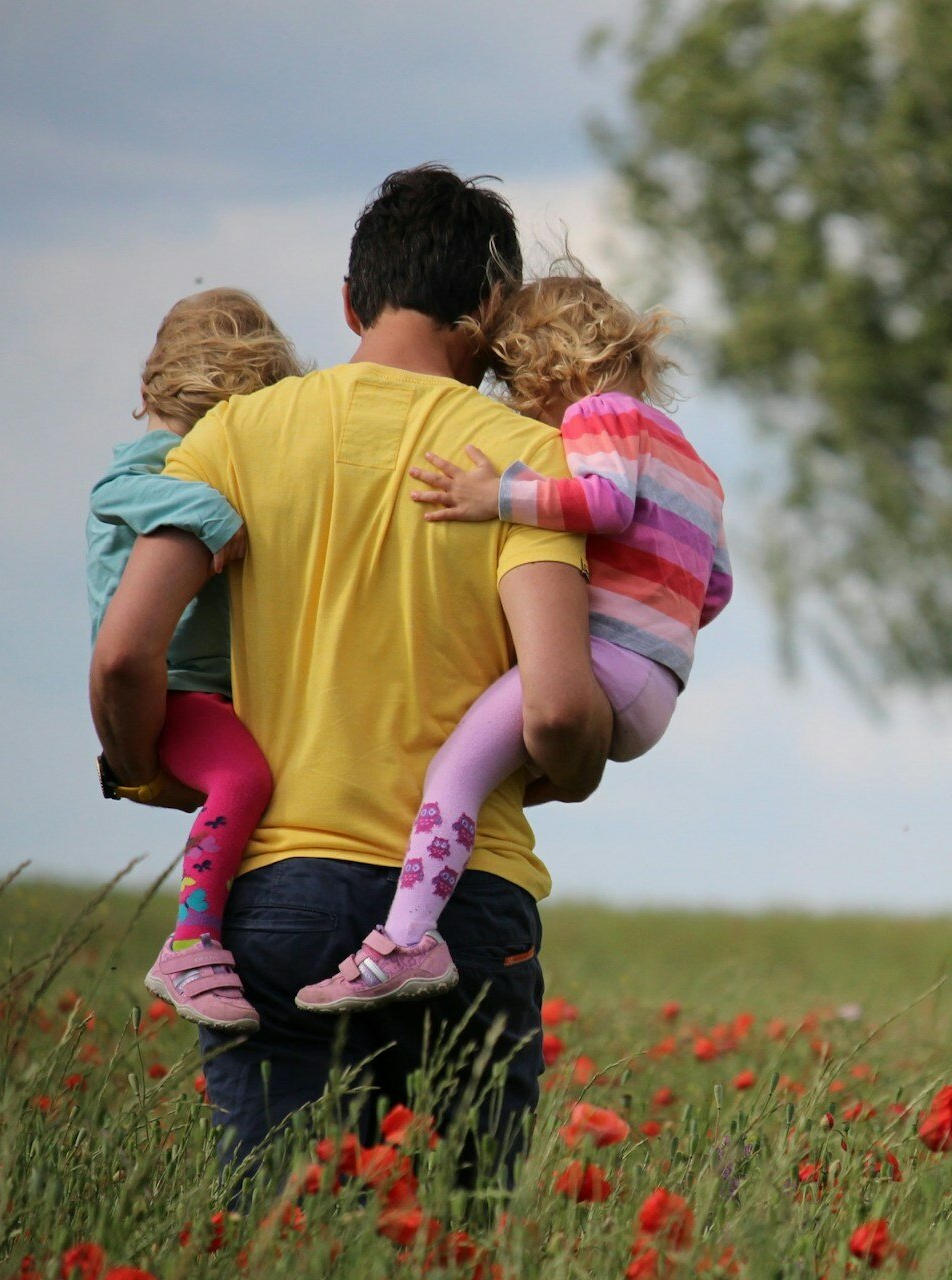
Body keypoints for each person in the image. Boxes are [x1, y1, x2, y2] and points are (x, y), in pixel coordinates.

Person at [90, 164, 612, 1165]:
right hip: (466, 904)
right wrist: (576, 766)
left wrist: (149, 765)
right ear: (492, 309)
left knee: (283, 1233)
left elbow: (123, 653)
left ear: (348, 301)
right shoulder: (524, 460)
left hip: (276, 890)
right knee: (460, 1232)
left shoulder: (231, 437)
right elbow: (554, 709)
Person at [296, 265, 733, 1011]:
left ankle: (407, 940)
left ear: (550, 364)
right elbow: (715, 588)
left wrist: (494, 495)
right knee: (491, 777)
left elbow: (603, 502)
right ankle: (430, 901)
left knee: (453, 774)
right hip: (658, 685)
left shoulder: (600, 416)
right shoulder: (695, 462)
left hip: (604, 663)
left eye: (515, 380)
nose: (517, 403)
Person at [87, 288, 302, 1032]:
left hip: (212, 691)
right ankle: (192, 941)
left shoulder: (189, 456)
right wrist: (212, 514)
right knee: (243, 778)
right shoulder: (155, 465)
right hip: (176, 690)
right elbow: (116, 490)